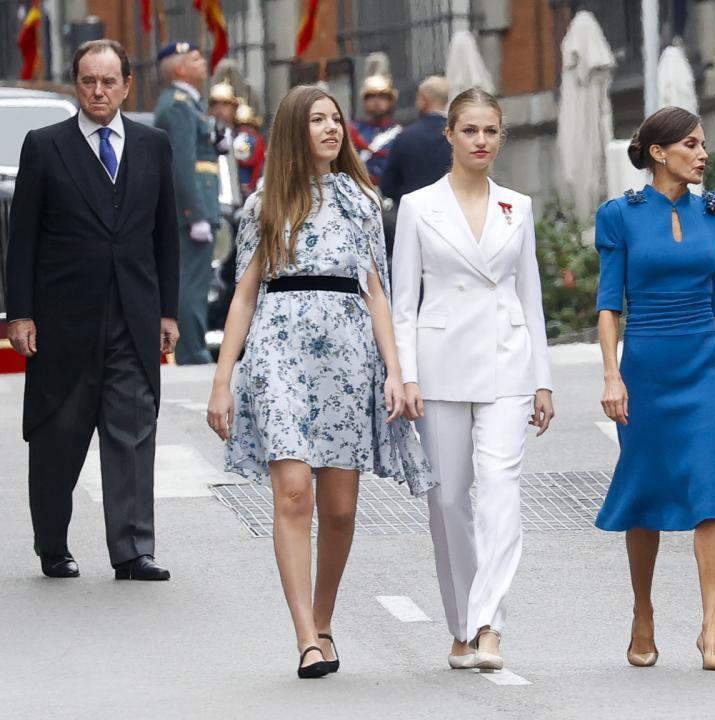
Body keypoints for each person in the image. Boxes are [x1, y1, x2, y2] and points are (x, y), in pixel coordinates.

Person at [206, 85, 432, 679]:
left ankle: (325, 618)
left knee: (338, 509)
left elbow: (378, 293)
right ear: (292, 131)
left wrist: (395, 372)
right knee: (294, 494)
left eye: (336, 119)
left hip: (348, 357)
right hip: (278, 353)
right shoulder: (265, 204)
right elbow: (244, 295)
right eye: (318, 120)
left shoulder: (363, 201)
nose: (332, 129)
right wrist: (223, 380)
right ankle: (306, 635)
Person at [391, 88, 554, 672]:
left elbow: (529, 295)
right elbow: (404, 301)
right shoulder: (417, 206)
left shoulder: (519, 206)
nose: (482, 141)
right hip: (438, 367)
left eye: (491, 131)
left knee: (500, 492)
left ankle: (489, 625)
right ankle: (461, 624)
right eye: (471, 131)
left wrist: (543, 379)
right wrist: (405, 375)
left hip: (507, 362)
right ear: (450, 136)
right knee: (450, 501)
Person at [4, 39, 178, 581]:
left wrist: (167, 312)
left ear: (128, 86)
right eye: (87, 81)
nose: (98, 92)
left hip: (133, 314)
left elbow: (164, 234)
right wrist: (19, 313)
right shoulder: (45, 146)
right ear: (77, 84)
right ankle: (52, 542)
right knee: (59, 433)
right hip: (63, 320)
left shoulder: (153, 145)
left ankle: (132, 551)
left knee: (131, 431)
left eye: (108, 82)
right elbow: (22, 239)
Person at [592, 106, 715, 672]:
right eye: (691, 144)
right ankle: (643, 613)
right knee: (647, 492)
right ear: (659, 153)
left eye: (703, 144)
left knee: (711, 489)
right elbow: (610, 304)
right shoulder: (621, 216)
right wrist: (612, 375)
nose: (703, 153)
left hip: (704, 369)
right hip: (646, 371)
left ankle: (711, 628)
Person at [154, 41, 220, 365]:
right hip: (193, 209)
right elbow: (182, 164)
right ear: (179, 68)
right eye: (195, 58)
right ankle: (192, 350)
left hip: (202, 204)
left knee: (197, 280)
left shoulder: (190, 103)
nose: (204, 62)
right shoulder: (178, 104)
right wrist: (194, 213)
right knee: (192, 283)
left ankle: (194, 346)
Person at [379, 75, 452, 214]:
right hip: (450, 214)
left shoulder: (405, 137)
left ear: (423, 99)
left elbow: (387, 187)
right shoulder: (458, 137)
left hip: (412, 215)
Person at [351, 74, 402, 187]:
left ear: (391, 100)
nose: (376, 101)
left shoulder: (400, 134)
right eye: (371, 96)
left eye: (382, 96)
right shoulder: (354, 130)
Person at [233, 101, 266, 196]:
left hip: (250, 183)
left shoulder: (256, 140)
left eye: (247, 126)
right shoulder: (257, 140)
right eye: (241, 126)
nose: (244, 129)